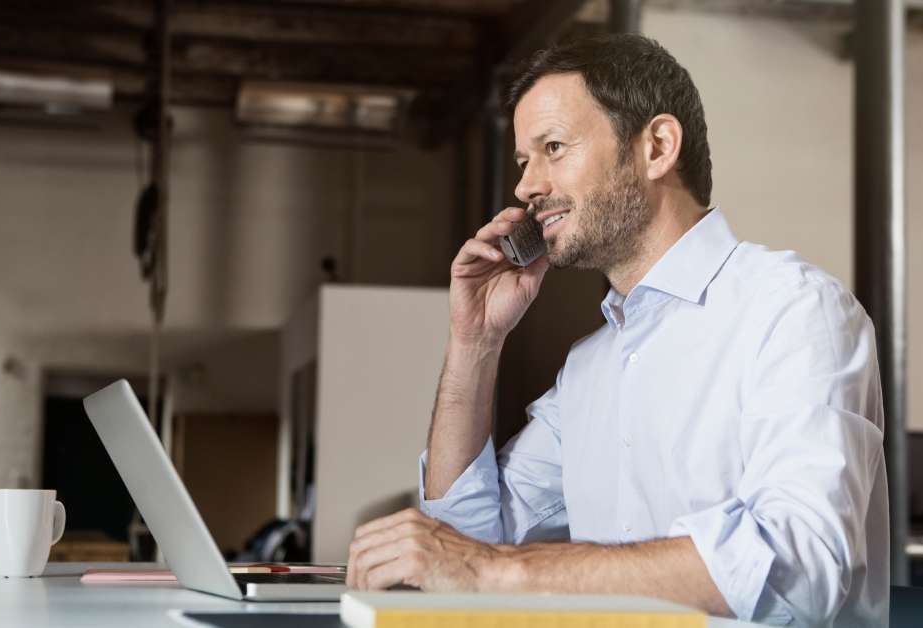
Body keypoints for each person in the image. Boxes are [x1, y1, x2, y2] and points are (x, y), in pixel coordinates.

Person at [346, 34, 888, 628]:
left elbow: (799, 570)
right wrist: (474, 343)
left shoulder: (792, 311)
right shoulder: (591, 367)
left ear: (656, 147)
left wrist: (500, 571)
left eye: (553, 147)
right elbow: (468, 541)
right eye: (526, 162)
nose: (527, 187)